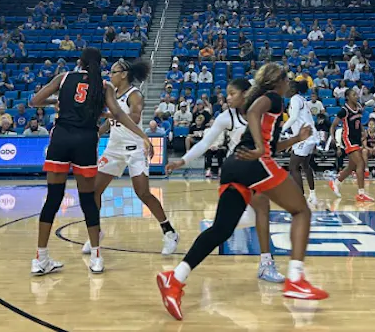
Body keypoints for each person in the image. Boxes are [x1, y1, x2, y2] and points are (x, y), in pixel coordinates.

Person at [157, 64, 327, 322]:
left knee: (222, 229)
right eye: (286, 79)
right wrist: (260, 147)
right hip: (254, 162)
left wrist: (294, 139)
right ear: (278, 81)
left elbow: (272, 142)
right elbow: (256, 115)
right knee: (301, 210)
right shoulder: (273, 98)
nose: (289, 83)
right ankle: (295, 279)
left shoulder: (268, 105)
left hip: (234, 166)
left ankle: (175, 278)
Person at [29, 47, 151, 276]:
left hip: (61, 139)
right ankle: (96, 257)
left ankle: (40, 258)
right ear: (101, 65)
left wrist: (59, 103)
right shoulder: (105, 86)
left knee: (53, 199)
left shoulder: (63, 77)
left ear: (79, 62)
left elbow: (35, 101)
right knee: (88, 199)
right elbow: (119, 115)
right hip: (85, 141)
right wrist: (143, 135)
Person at [166, 78, 288, 283]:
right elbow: (205, 142)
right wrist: (182, 161)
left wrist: (297, 139)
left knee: (253, 215)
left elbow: (272, 146)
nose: (227, 97)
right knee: (259, 210)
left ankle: (263, 261)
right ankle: (265, 263)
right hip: (237, 172)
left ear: (246, 94)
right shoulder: (226, 117)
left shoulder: (263, 114)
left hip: (256, 169)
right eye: (227, 93)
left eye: (232, 93)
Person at [86, 59, 179, 256]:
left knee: (143, 192)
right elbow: (113, 122)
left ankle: (169, 232)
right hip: (114, 148)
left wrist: (109, 115)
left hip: (135, 147)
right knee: (94, 191)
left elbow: (135, 118)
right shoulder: (111, 94)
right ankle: (96, 232)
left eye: (113, 72)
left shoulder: (134, 94)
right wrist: (99, 132)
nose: (109, 75)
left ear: (124, 74)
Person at [328, 89, 373, 201]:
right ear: (348, 97)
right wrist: (334, 140)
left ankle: (336, 182)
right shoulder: (344, 110)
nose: (356, 96)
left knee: (352, 166)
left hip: (357, 138)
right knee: (361, 163)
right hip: (348, 139)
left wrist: (363, 131)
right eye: (354, 94)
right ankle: (361, 194)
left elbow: (358, 122)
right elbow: (333, 126)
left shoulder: (358, 107)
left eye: (356, 94)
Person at [283, 79, 318, 203]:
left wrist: (282, 129)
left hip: (305, 137)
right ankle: (313, 195)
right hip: (310, 135)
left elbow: (293, 118)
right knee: (305, 165)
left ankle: (300, 197)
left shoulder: (295, 99)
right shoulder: (302, 99)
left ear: (292, 89)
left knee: (293, 167)